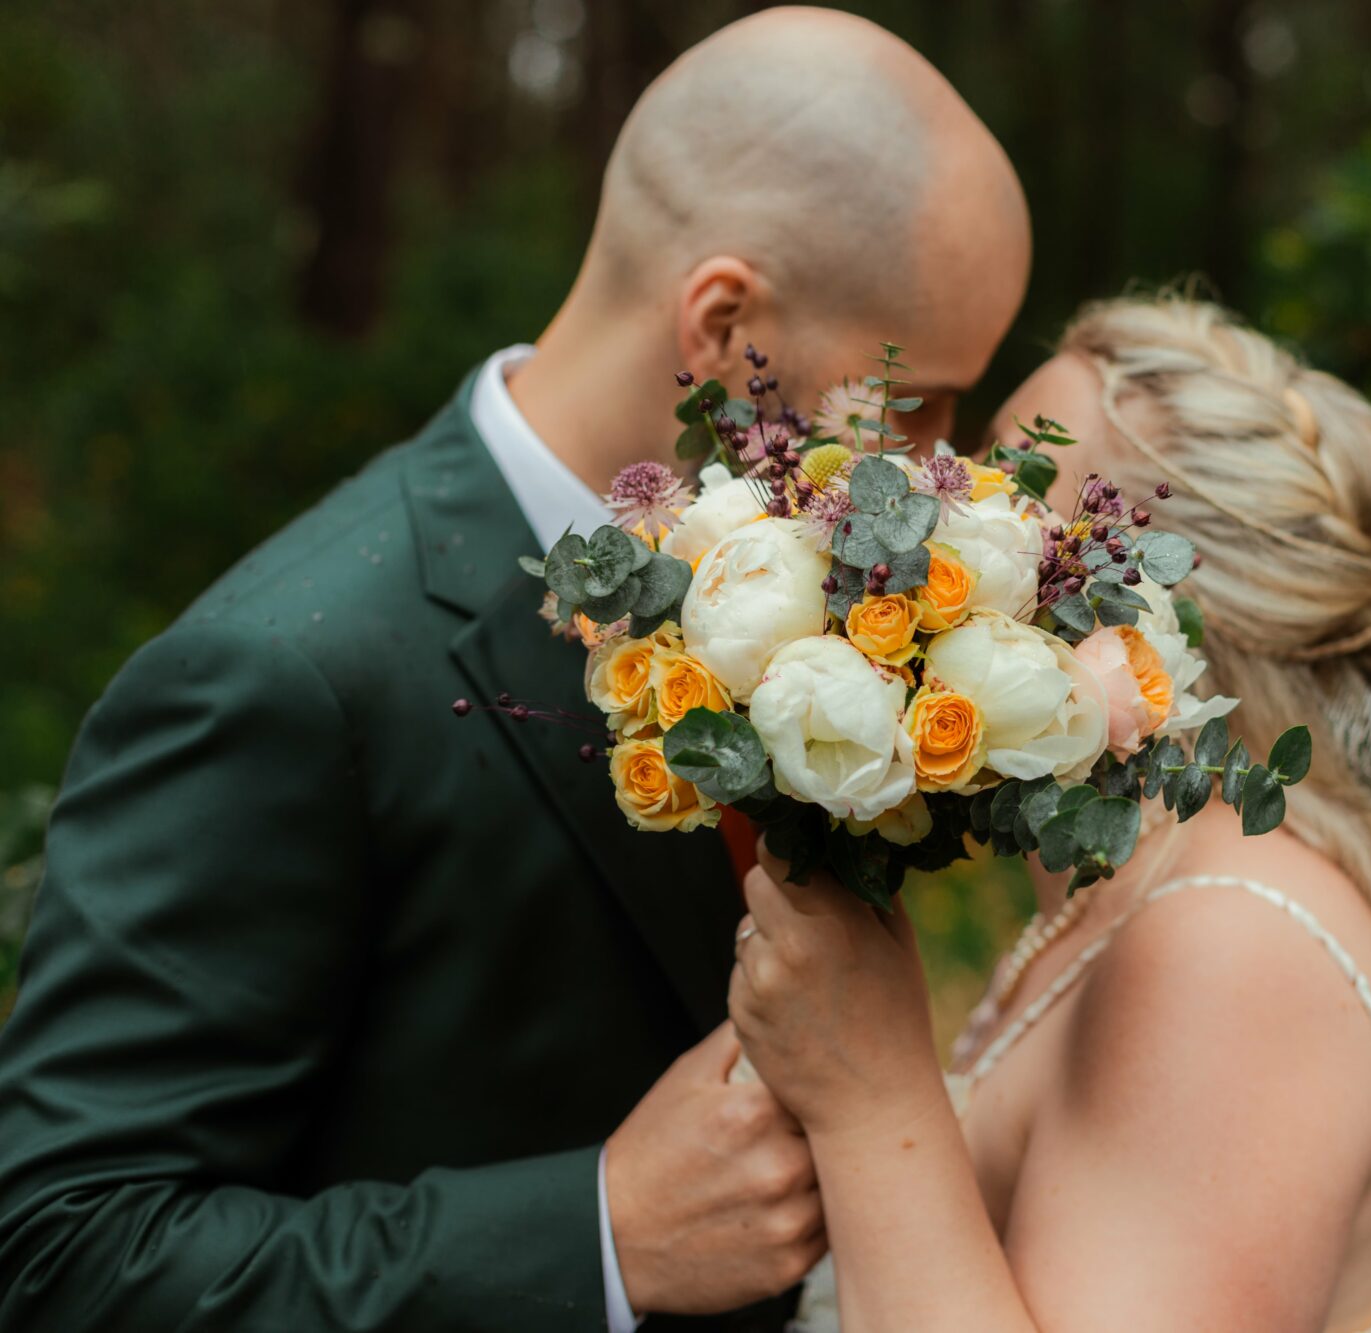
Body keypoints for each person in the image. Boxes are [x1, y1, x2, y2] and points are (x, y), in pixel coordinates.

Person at [0, 9, 1028, 1331]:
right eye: (917, 401)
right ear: (722, 327)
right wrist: (595, 1235)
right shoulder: (279, 678)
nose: (940, 470)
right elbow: (61, 1251)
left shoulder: (798, 607)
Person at [729, 295, 1371, 1332]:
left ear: (1156, 607)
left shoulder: (1227, 949)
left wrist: (870, 1104)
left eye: (1004, 501)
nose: (928, 527)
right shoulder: (1117, 912)